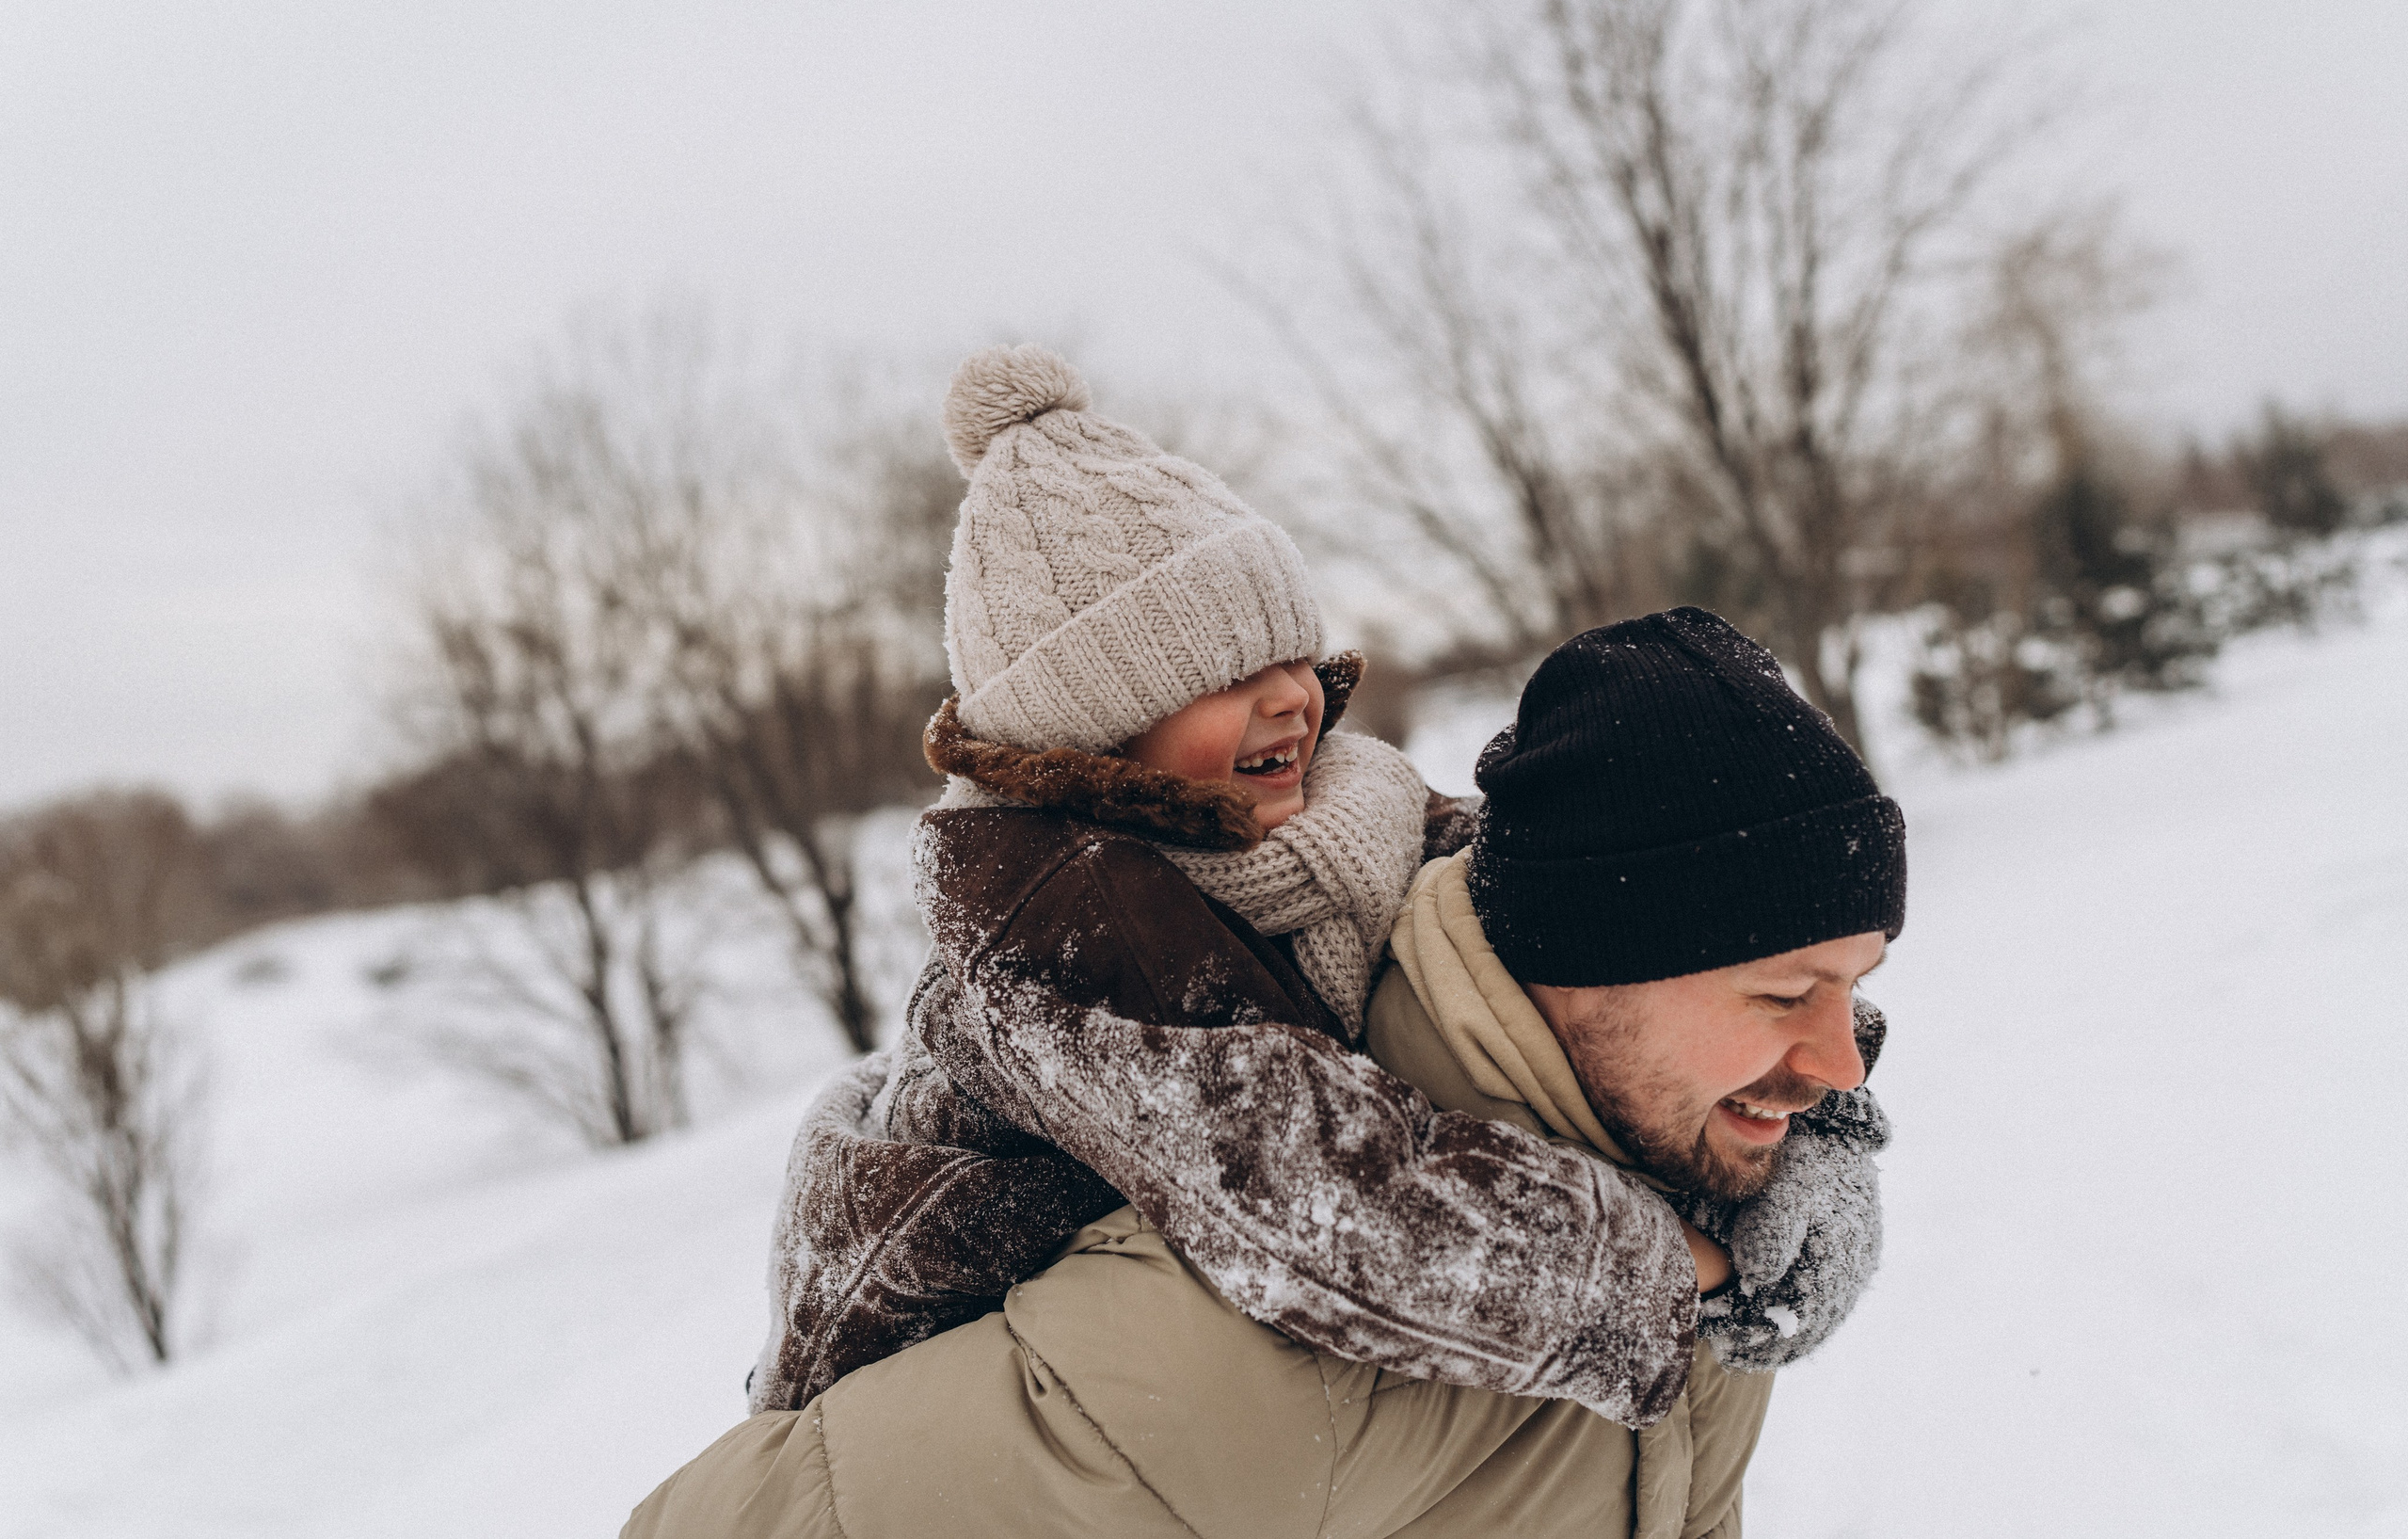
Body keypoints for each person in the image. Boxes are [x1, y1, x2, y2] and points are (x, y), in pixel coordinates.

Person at [625, 603, 1903, 1538]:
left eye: (1856, 987)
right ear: (1593, 963)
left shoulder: (1718, 1187)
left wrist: (1823, 1154)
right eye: (1783, 995)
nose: (1840, 1060)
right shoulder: (1280, 1315)